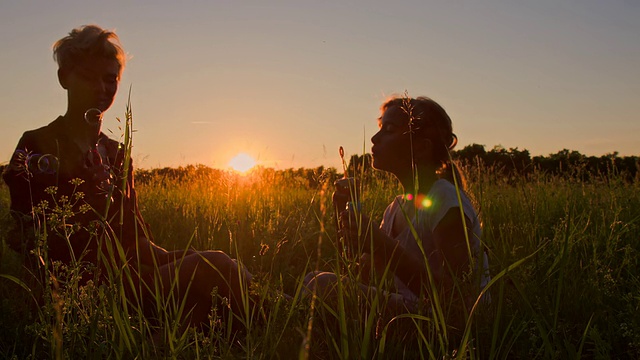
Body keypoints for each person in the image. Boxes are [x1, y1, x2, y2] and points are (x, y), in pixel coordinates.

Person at [2, 24, 252, 330]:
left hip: (131, 278)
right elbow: (29, 238)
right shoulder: (36, 144)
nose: (101, 89)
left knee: (217, 265)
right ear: (64, 78)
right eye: (88, 77)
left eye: (110, 80)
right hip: (83, 291)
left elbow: (136, 241)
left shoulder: (117, 153)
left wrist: (186, 258)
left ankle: (293, 305)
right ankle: (293, 313)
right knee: (210, 272)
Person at [304, 96, 490, 332]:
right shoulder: (395, 209)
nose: (374, 138)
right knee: (315, 279)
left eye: (388, 130)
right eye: (380, 128)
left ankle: (267, 310)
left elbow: (456, 298)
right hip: (409, 312)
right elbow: (364, 275)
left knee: (321, 285)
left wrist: (381, 245)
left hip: (443, 327)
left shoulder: (447, 200)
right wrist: (344, 219)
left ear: (421, 147)